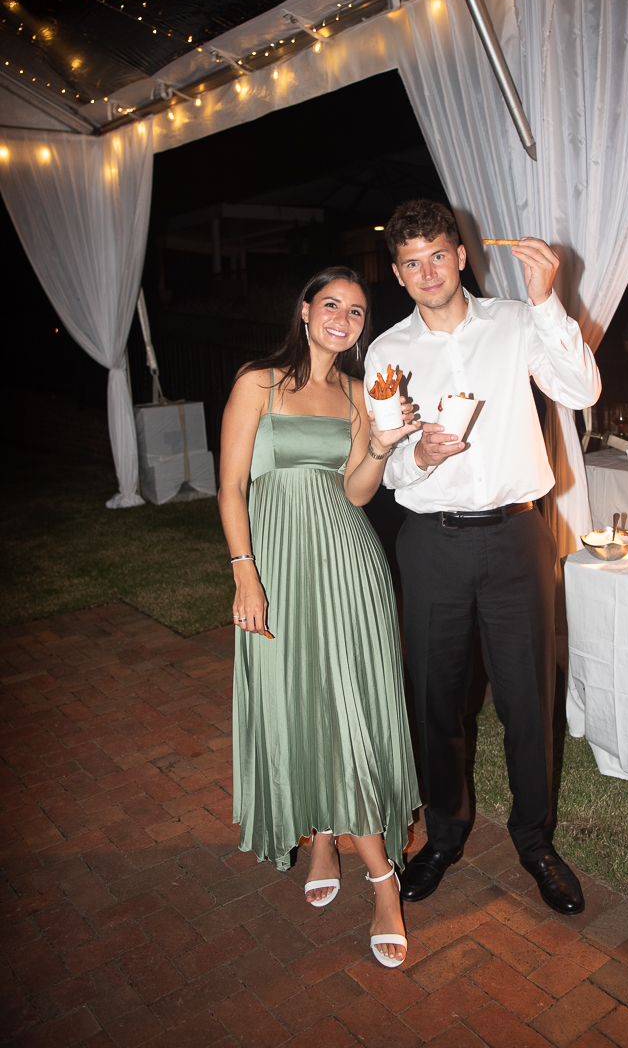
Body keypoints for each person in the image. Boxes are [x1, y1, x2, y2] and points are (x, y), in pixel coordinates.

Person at [364, 200, 601, 915]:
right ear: (398, 274)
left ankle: (534, 841)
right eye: (410, 262)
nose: (426, 271)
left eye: (437, 254)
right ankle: (443, 834)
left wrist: (546, 301)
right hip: (430, 542)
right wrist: (420, 455)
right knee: (434, 699)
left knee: (526, 698)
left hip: (514, 533)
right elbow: (390, 463)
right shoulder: (386, 352)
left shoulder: (515, 322)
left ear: (461, 254)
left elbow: (580, 390)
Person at [218, 266, 421, 967]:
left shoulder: (360, 392)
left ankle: (383, 882)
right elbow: (229, 488)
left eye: (357, 312)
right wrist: (245, 574)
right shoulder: (258, 382)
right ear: (304, 308)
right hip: (272, 564)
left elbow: (359, 492)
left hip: (346, 563)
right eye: (330, 304)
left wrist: (382, 446)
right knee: (294, 703)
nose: (342, 318)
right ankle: (322, 840)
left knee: (348, 711)